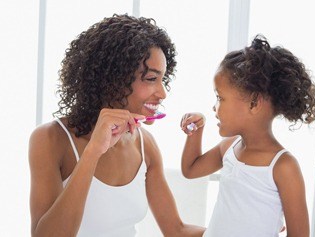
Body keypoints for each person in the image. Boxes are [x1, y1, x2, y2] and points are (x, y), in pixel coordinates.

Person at [29, 14, 205, 237]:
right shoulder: (50, 139)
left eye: (163, 79)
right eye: (151, 79)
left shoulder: (145, 144)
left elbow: (177, 230)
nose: (162, 93)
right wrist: (93, 151)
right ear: (113, 79)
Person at [180, 35, 315, 237]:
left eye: (220, 98)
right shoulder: (230, 146)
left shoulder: (283, 167)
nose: (214, 107)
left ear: (254, 103)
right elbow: (190, 170)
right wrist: (196, 132)